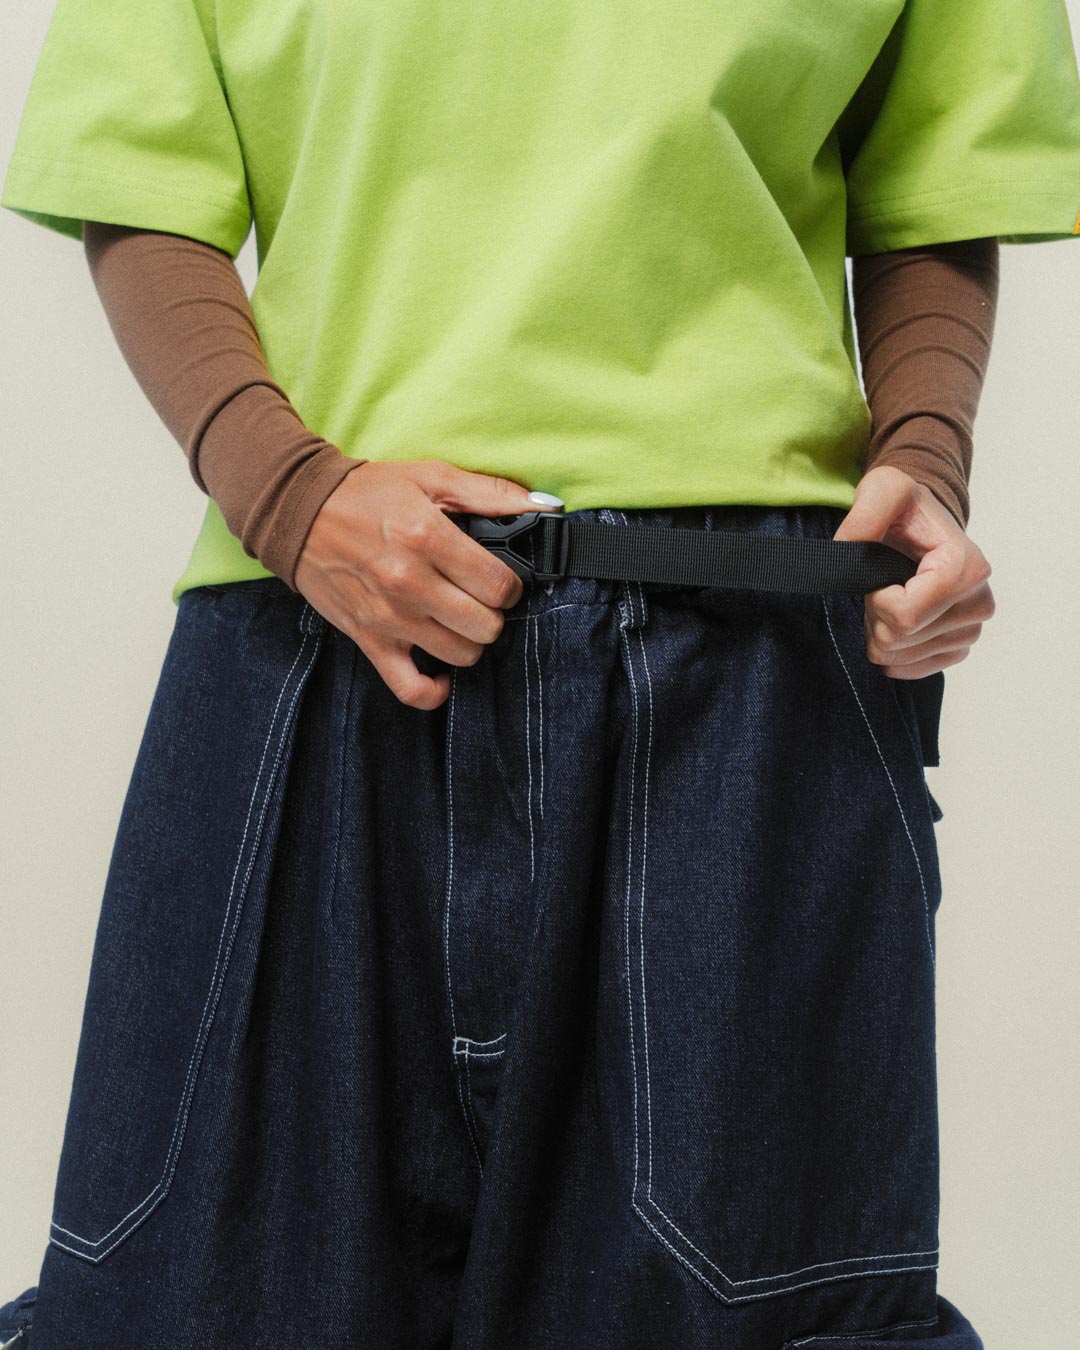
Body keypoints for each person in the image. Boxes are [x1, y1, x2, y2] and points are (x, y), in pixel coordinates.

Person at [2, 0, 1080, 1346]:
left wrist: (924, 455)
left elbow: (932, 172)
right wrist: (284, 491)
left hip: (742, 674)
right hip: (322, 630)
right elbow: (138, 172)